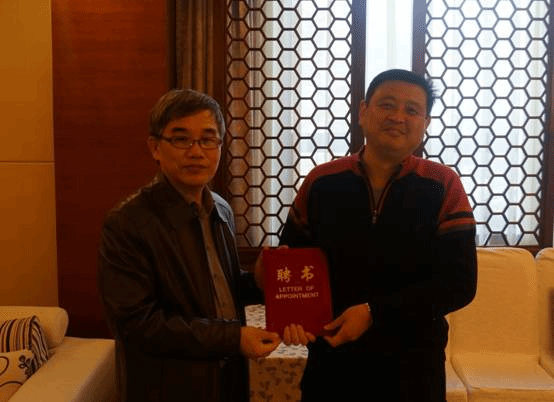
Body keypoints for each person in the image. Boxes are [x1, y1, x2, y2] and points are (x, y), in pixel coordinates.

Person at [279, 69, 478, 402]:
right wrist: (291, 314)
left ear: (425, 123)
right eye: (387, 104)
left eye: (412, 110)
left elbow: (459, 284)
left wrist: (374, 312)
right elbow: (293, 262)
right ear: (363, 111)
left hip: (413, 368)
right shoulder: (321, 181)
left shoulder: (442, 185)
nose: (397, 117)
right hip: (332, 363)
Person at [97, 89, 281, 402]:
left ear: (220, 147)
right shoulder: (127, 223)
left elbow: (220, 290)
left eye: (208, 139)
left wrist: (258, 282)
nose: (196, 152)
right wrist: (232, 338)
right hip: (169, 386)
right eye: (181, 139)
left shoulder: (221, 208)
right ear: (155, 147)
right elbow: (138, 324)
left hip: (226, 377)